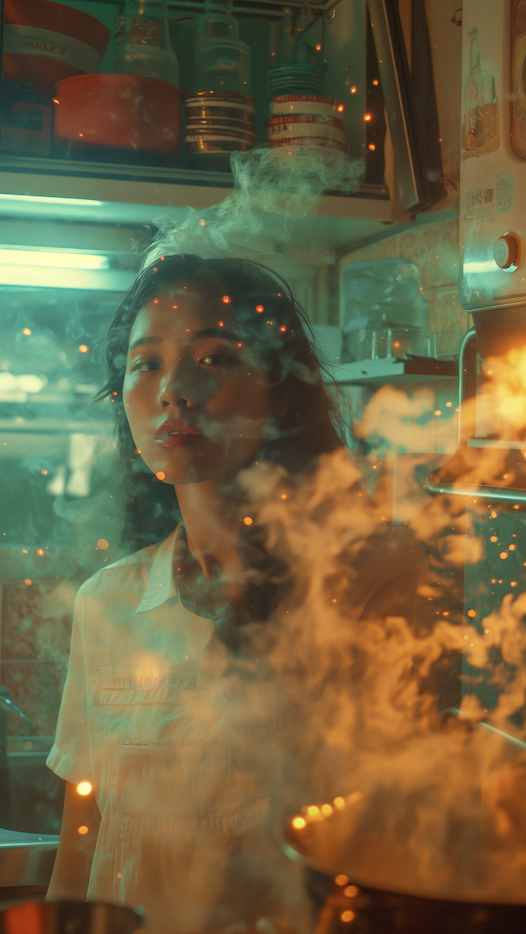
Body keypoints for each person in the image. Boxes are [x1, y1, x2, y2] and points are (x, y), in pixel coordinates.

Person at [46, 254, 429, 932]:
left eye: (215, 358)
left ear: (281, 389)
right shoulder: (107, 603)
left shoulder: (373, 582)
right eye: (146, 364)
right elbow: (84, 831)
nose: (173, 391)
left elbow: (407, 838)